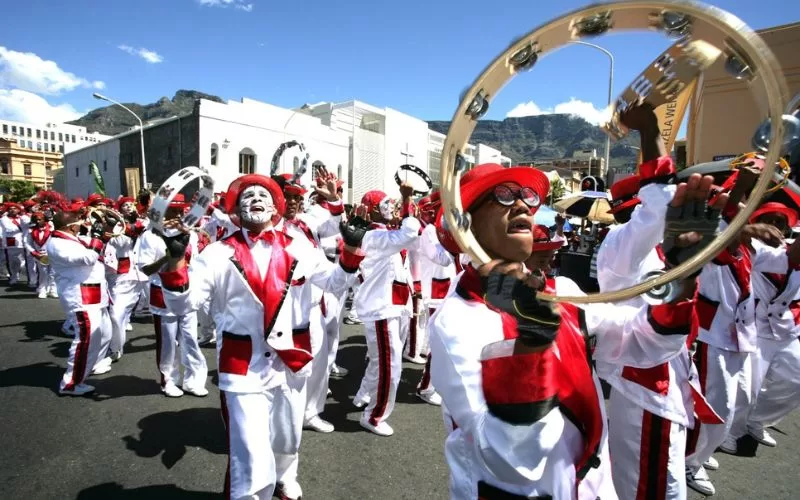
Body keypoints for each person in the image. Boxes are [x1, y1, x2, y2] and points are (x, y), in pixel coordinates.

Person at [428, 161, 716, 499]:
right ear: (465, 226)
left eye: (526, 196)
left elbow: (644, 344)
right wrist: (530, 343)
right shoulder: (458, 320)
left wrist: (681, 275)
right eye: (502, 196)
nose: (522, 205)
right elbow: (506, 459)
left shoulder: (562, 291)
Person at [155, 174, 366, 500]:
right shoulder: (217, 253)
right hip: (243, 367)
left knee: (286, 439)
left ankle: (284, 478)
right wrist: (175, 262)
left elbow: (335, 284)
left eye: (262, 195)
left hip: (291, 362)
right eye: (247, 196)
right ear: (236, 209)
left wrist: (351, 249)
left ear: (275, 207)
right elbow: (184, 304)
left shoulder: (300, 246)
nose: (255, 199)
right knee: (250, 453)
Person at [352, 185, 421, 436]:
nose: (390, 209)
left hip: (394, 305)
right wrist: (407, 199)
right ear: (371, 211)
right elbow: (410, 233)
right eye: (384, 205)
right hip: (382, 308)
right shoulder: (373, 236)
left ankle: (363, 395)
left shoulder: (383, 234)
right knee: (390, 367)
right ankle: (374, 416)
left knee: (379, 361)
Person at [137, 195, 207, 398]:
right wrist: (167, 258)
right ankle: (169, 380)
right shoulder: (150, 236)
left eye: (180, 210)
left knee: (190, 339)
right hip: (162, 292)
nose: (178, 214)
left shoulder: (190, 234)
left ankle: (194, 380)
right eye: (173, 210)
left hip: (187, 291)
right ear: (162, 211)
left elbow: (195, 264)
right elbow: (145, 269)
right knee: (167, 341)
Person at [47, 208, 113, 396]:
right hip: (80, 297)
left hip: (94, 292)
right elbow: (89, 257)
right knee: (86, 339)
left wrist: (104, 232)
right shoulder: (57, 243)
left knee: (104, 333)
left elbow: (92, 244)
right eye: (78, 222)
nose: (81, 224)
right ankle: (70, 383)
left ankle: (92, 364)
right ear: (72, 226)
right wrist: (98, 237)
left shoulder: (72, 238)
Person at [1, 203, 28, 286]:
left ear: (18, 210)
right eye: (10, 209)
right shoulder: (4, 219)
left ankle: (18, 274)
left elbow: (29, 223)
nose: (12, 210)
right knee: (12, 262)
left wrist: (24, 219)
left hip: (22, 242)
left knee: (22, 261)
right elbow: (9, 229)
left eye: (15, 208)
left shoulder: (22, 218)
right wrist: (23, 227)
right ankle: (13, 277)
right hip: (11, 242)